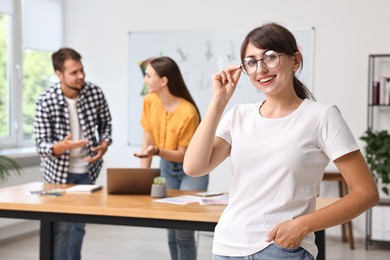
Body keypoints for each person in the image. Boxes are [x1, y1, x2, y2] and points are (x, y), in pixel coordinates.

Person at [183, 23, 379, 260]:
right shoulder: (238, 115)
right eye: (251, 62)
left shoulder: (321, 116)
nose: (261, 69)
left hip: (282, 250)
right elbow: (194, 167)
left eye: (271, 57)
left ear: (295, 61)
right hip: (227, 247)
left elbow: (366, 193)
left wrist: (302, 226)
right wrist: (219, 100)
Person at [34, 47, 112, 260]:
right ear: (59, 75)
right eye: (74, 72)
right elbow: (41, 145)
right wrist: (62, 146)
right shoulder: (46, 100)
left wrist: (104, 144)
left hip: (87, 172)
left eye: (82, 70)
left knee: (79, 227)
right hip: (58, 176)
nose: (81, 76)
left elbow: (106, 124)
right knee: (61, 229)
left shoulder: (94, 92)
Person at [134, 56, 209, 260]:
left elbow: (184, 155)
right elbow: (147, 139)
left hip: (191, 169)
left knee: (183, 232)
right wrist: (144, 175)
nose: (145, 80)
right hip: (167, 166)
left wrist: (156, 151)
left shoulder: (188, 111)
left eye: (148, 76)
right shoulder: (149, 101)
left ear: (164, 81)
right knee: (170, 228)